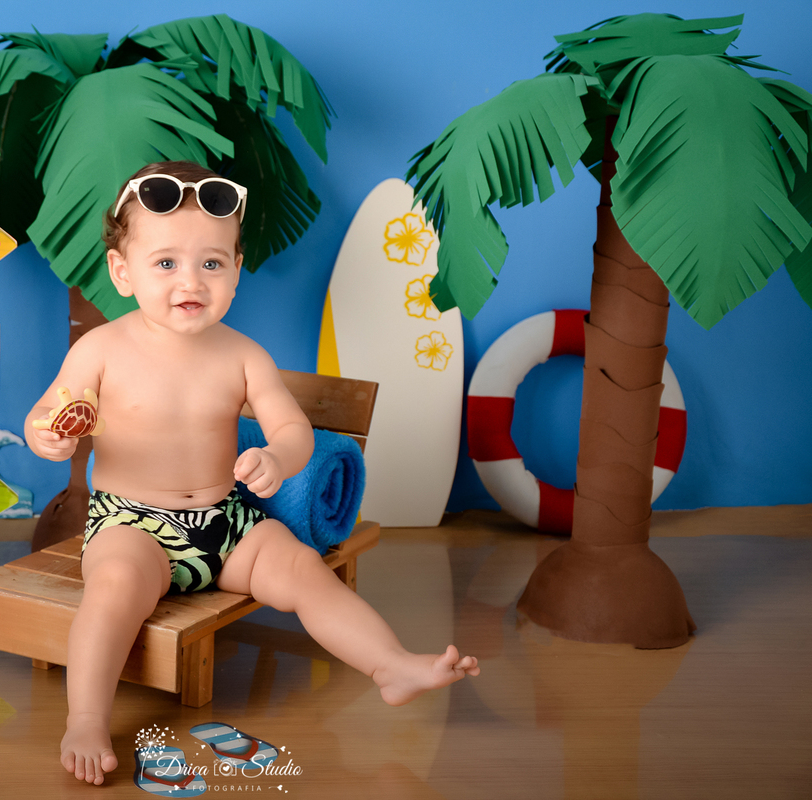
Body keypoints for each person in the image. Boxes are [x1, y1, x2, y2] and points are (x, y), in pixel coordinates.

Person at [25, 161, 479, 786]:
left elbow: (294, 431)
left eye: (211, 263)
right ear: (121, 272)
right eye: (166, 263)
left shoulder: (242, 356)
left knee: (301, 571)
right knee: (114, 590)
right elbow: (49, 414)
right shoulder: (100, 351)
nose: (191, 280)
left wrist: (277, 459)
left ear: (236, 272)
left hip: (226, 520)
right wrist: (47, 436)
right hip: (131, 523)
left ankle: (390, 665)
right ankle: (86, 717)